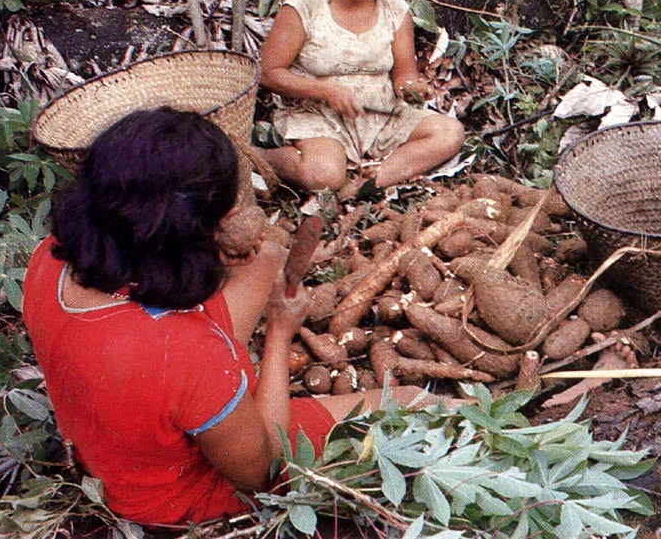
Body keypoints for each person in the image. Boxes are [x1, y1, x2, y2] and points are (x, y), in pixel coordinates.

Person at [22, 107, 427, 526]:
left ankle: (215, 407)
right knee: (417, 404)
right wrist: (279, 333)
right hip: (178, 497)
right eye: (223, 218)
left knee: (266, 259)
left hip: (122, 424)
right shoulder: (185, 352)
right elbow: (263, 471)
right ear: (188, 235)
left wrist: (214, 255)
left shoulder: (49, 259)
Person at [260, 0, 464, 192]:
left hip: (379, 113)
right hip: (317, 115)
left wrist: (413, 88)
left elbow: (404, 73)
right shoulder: (305, 6)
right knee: (323, 176)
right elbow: (269, 74)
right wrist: (327, 92)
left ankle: (371, 182)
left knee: (450, 132)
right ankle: (261, 158)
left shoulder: (394, 8)